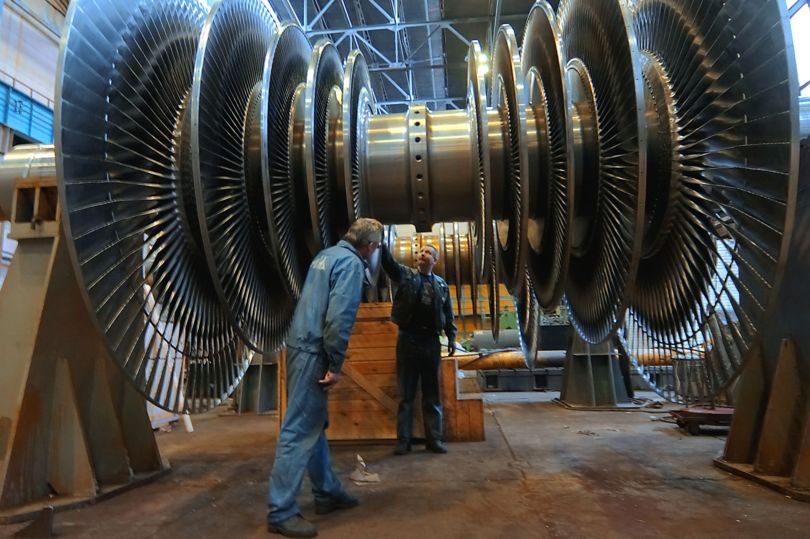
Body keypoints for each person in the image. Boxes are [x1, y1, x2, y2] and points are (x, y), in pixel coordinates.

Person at [267, 218, 384, 538]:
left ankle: (326, 492)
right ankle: (280, 511)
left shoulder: (326, 255)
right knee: (297, 430)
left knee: (312, 425)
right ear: (369, 246)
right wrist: (335, 364)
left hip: (298, 345)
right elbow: (339, 317)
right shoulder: (351, 265)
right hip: (314, 351)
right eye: (377, 247)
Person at [380, 240, 457, 456]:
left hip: (431, 342)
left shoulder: (441, 285)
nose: (422, 254)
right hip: (408, 340)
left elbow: (448, 313)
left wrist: (451, 338)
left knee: (432, 395)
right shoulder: (406, 275)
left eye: (428, 252)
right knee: (406, 395)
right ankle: (403, 442)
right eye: (421, 251)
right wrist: (381, 243)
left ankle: (434, 440)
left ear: (435, 260)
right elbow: (389, 265)